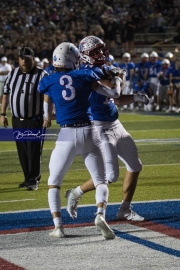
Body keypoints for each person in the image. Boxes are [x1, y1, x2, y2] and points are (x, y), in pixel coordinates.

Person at [38, 41, 124, 239]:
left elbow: (47, 106)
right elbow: (114, 94)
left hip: (66, 134)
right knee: (101, 180)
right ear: (74, 60)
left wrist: (45, 117)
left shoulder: (49, 81)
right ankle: (100, 214)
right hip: (89, 131)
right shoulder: (85, 75)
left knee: (54, 182)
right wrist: (117, 79)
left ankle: (58, 226)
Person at [65, 36, 149, 222]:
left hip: (115, 124)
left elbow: (116, 99)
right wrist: (119, 77)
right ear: (86, 55)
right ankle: (76, 192)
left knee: (135, 165)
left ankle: (124, 210)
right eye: (96, 51)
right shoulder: (88, 74)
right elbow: (115, 89)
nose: (102, 54)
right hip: (99, 128)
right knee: (110, 175)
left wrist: (136, 97)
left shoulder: (102, 69)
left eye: (102, 49)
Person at [0, 47, 49, 190]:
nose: (24, 62)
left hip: (34, 119)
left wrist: (47, 115)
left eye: (27, 59)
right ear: (18, 59)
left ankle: (34, 180)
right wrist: (3, 114)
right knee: (22, 150)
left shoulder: (41, 75)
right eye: (22, 59)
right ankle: (27, 178)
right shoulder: (13, 73)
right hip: (17, 119)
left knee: (33, 150)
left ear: (33, 59)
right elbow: (6, 94)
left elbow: (47, 96)